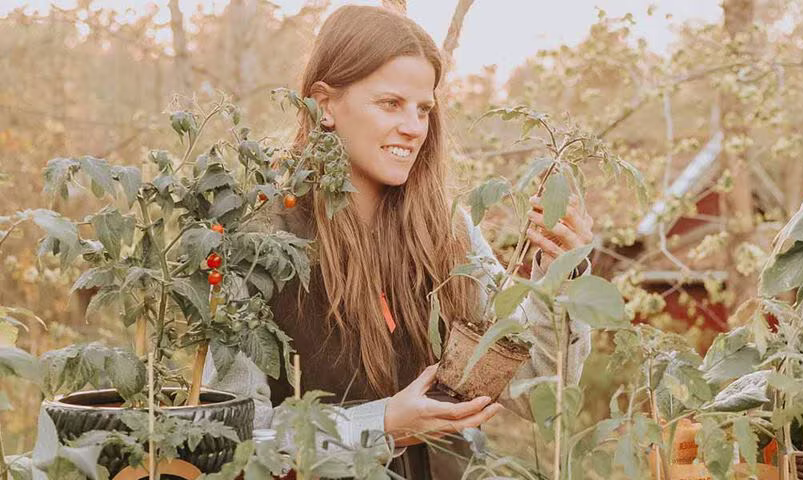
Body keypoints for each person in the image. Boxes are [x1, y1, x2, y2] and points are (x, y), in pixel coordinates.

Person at [205, 5, 594, 478]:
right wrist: (381, 424)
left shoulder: (449, 232)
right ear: (324, 105)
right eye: (390, 103)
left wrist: (559, 276)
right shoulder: (260, 241)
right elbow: (232, 437)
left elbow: (538, 390)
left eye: (423, 108)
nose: (413, 127)